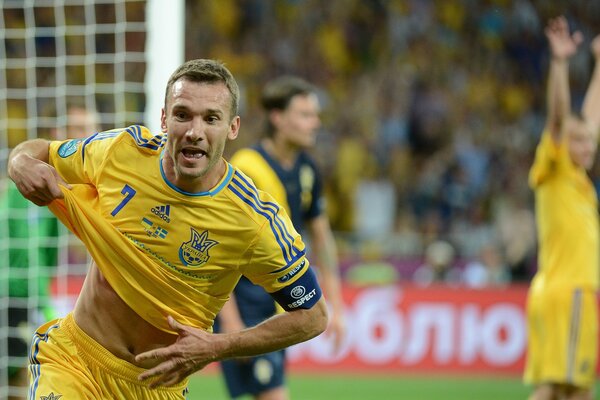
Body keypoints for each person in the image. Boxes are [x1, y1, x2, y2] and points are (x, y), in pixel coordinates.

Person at [7, 59, 328, 399]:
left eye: (211, 118)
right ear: (163, 118)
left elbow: (313, 316)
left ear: (233, 127)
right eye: (182, 114)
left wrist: (220, 345)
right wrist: (19, 162)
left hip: (157, 387)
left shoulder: (254, 220)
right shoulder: (120, 152)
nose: (194, 131)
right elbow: (40, 151)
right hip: (76, 361)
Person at [216, 76, 345, 400]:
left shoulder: (307, 169)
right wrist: (230, 320)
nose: (315, 122)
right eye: (305, 114)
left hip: (280, 307)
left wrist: (337, 307)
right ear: (277, 118)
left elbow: (322, 240)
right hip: (245, 306)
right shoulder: (247, 167)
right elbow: (221, 247)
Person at [525, 16, 600, 400]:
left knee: (563, 389)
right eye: (581, 142)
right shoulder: (555, 165)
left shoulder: (576, 179)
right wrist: (560, 64)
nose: (589, 147)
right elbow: (559, 119)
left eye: (591, 142)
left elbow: (587, 121)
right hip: (569, 291)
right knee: (572, 388)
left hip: (556, 290)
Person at [0, 102, 97, 399]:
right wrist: (43, 306)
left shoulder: (63, 186)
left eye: (91, 131)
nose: (85, 138)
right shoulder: (31, 183)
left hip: (22, 295)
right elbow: (25, 252)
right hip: (13, 294)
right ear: (57, 134)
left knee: (19, 379)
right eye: (77, 130)